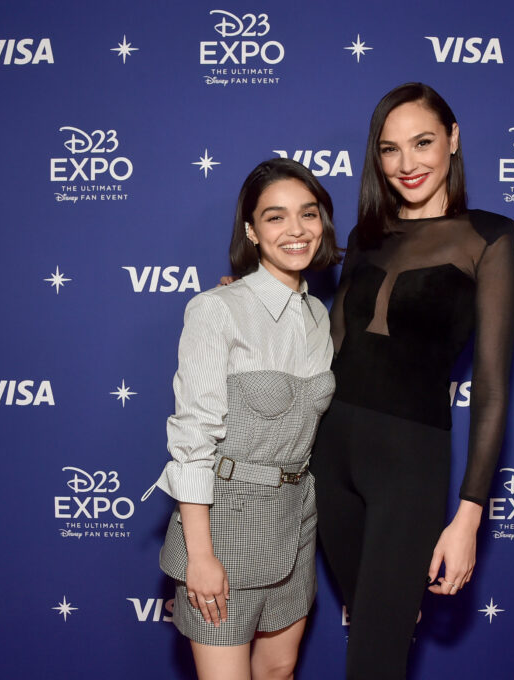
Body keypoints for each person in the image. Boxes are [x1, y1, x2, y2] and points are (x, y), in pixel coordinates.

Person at [310, 82, 514, 679]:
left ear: (453, 140)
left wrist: (469, 516)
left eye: (423, 142)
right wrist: (247, 299)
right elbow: (326, 350)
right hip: (328, 464)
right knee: (372, 645)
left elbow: (493, 388)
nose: (407, 164)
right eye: (390, 149)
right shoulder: (367, 237)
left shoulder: (489, 237)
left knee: (373, 664)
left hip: (409, 467)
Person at [147, 157, 342, 680]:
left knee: (279, 670)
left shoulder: (319, 315)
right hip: (225, 522)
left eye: (308, 213)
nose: (296, 230)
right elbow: (192, 436)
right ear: (252, 231)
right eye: (275, 217)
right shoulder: (217, 309)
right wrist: (200, 556)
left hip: (297, 517)